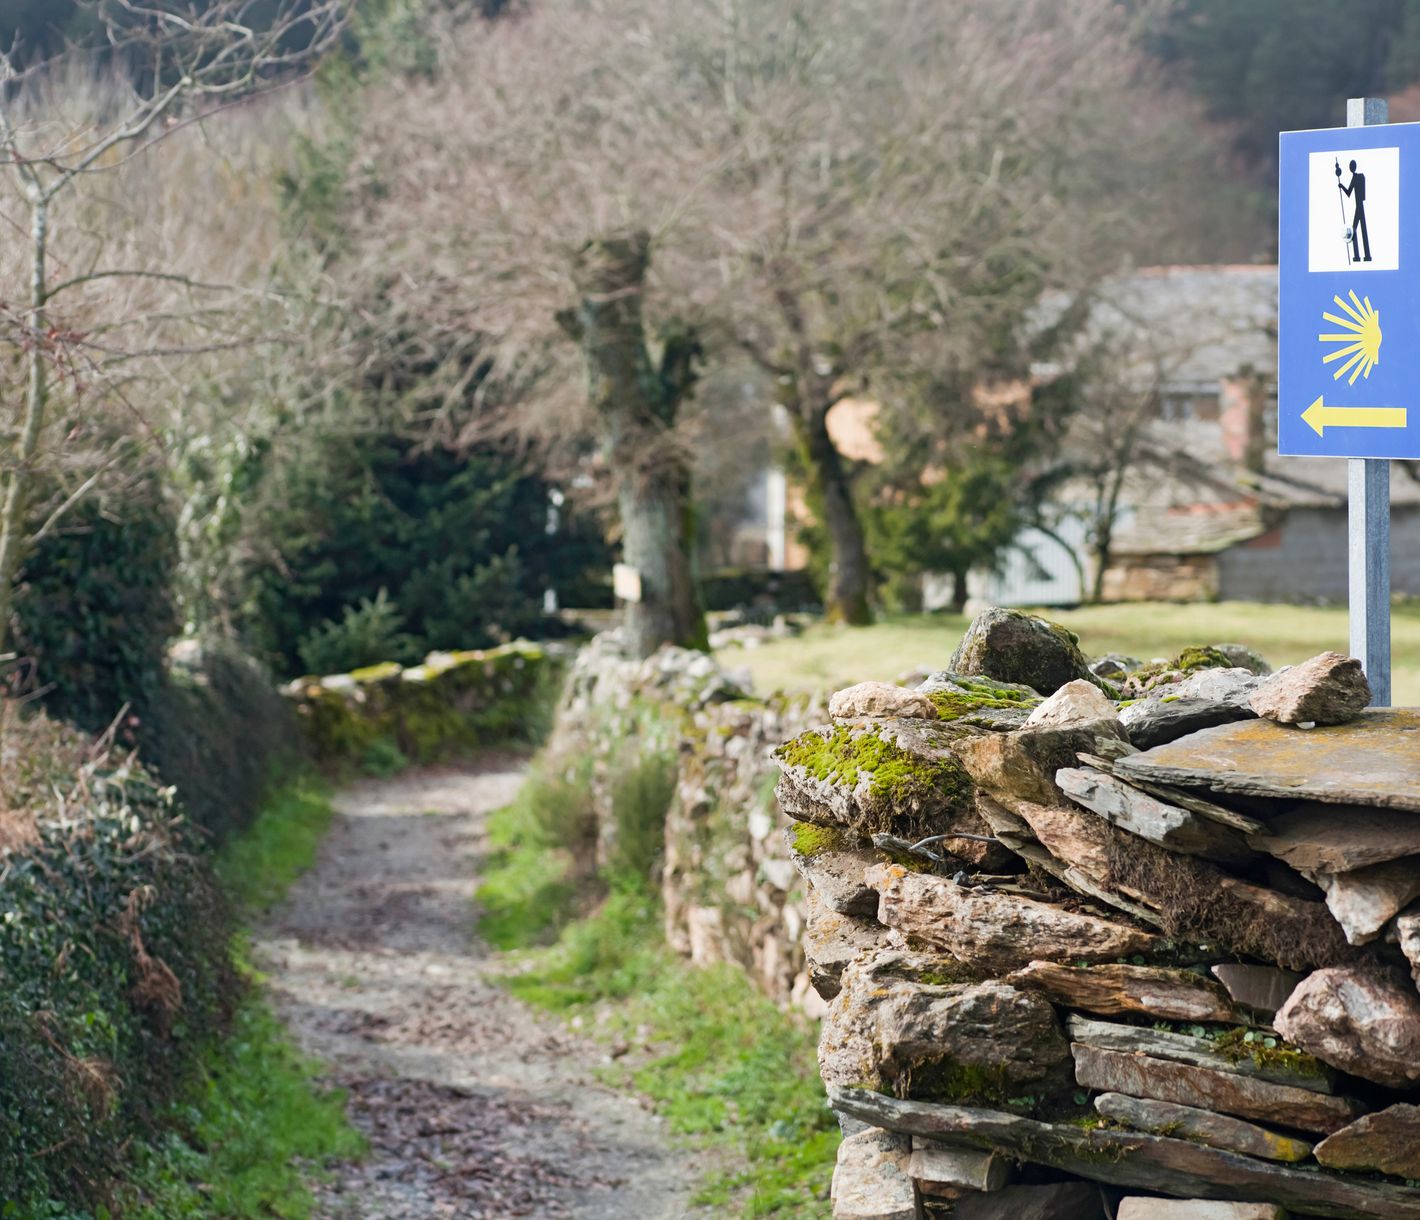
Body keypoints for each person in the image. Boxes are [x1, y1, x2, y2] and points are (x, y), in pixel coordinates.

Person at [1338, 158, 1372, 263]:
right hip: (1359, 206)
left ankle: (1361, 256)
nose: (1351, 168)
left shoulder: (1359, 177)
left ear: (1353, 167)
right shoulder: (1355, 178)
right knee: (1360, 230)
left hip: (1359, 206)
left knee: (1356, 230)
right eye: (1350, 167)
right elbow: (1348, 193)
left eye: (1351, 166)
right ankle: (1363, 255)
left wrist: (1341, 186)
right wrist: (1342, 186)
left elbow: (1360, 192)